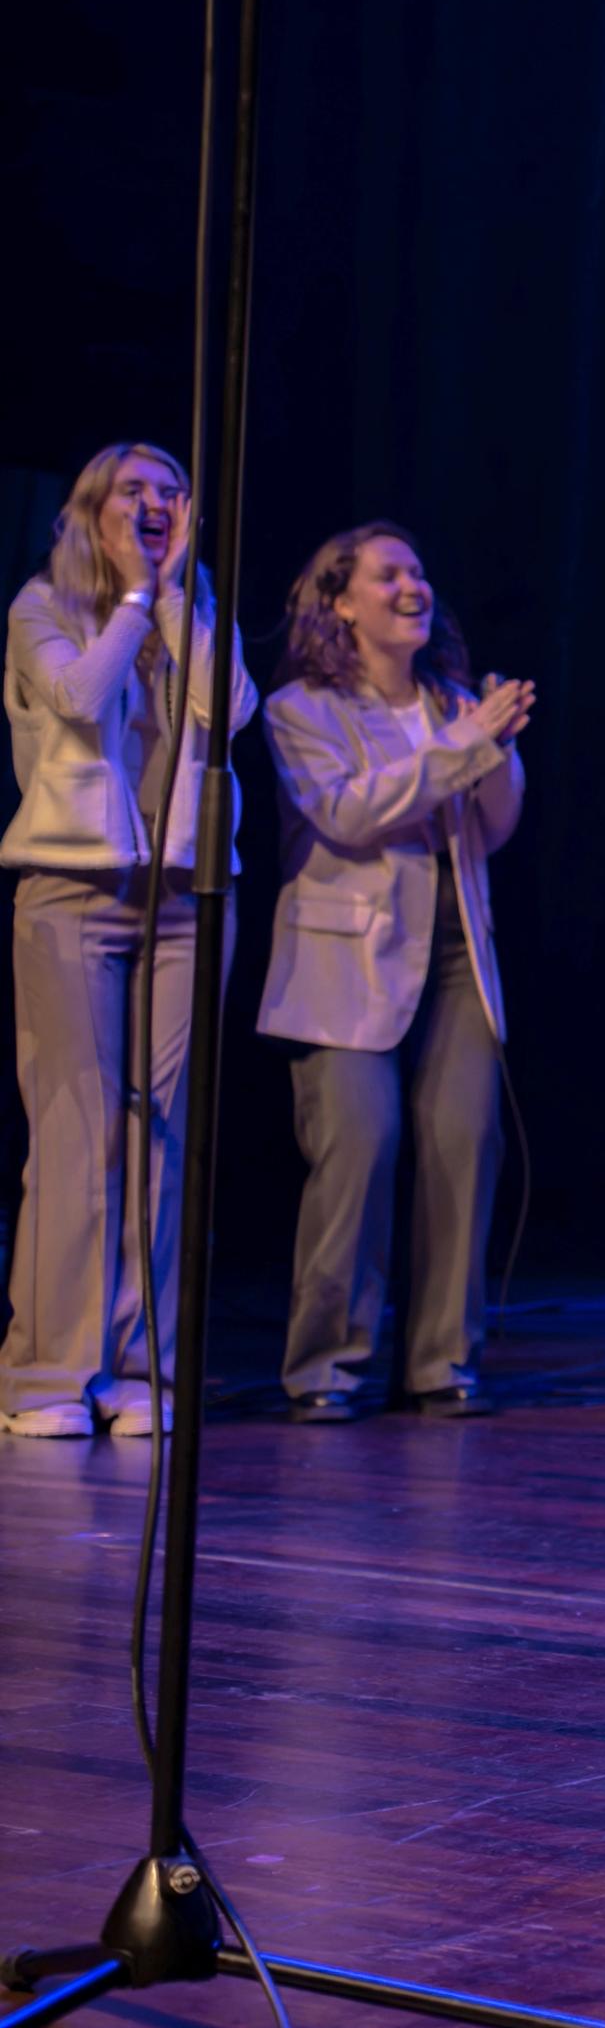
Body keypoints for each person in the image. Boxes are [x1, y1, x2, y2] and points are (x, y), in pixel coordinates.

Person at [2, 445, 255, 1440]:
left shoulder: (195, 613)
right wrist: (139, 599)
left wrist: (181, 598)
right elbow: (78, 700)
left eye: (171, 491)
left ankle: (141, 1362)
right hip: (73, 891)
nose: (156, 504)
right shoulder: (41, 608)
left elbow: (231, 713)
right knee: (78, 1133)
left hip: (188, 898)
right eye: (134, 490)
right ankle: (45, 1371)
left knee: (163, 1134)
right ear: (89, 511)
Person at [260, 524, 531, 1423]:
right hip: (350, 956)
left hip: (458, 946)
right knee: (361, 1150)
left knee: (463, 1147)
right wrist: (465, 746)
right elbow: (346, 813)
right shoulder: (302, 709)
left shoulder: (452, 699)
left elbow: (492, 827)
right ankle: (326, 1369)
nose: (413, 585)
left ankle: (442, 1363)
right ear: (341, 602)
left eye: (418, 571)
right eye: (388, 575)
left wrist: (492, 745)